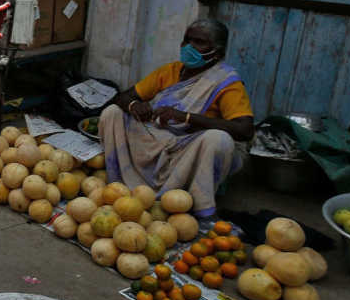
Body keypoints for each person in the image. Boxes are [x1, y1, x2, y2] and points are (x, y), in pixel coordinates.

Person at [99, 19, 254, 221]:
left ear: (218, 52)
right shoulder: (170, 71)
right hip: (159, 139)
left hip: (190, 150)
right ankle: (120, 186)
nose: (189, 47)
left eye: (198, 42)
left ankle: (200, 207)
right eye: (186, 40)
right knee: (113, 112)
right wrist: (134, 105)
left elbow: (244, 130)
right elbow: (123, 97)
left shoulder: (226, 82)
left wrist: (185, 117)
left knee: (219, 140)